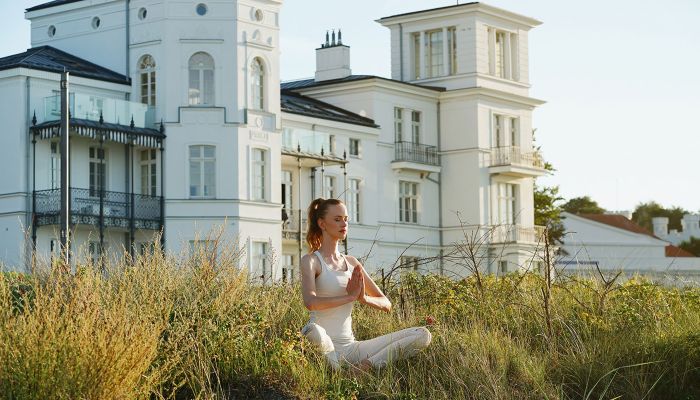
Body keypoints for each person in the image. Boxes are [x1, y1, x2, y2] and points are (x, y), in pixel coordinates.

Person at [300, 198, 432, 371]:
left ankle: (364, 368)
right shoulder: (311, 261)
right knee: (312, 330)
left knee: (422, 335)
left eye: (346, 219)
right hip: (323, 342)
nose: (344, 224)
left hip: (351, 348)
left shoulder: (352, 263)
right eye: (337, 219)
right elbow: (310, 302)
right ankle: (338, 374)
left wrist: (363, 298)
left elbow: (386, 304)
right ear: (322, 224)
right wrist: (349, 296)